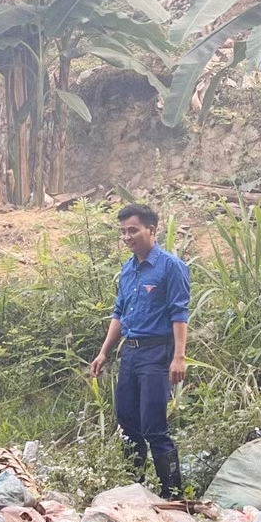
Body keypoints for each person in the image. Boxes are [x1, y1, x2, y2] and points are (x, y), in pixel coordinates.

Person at [88, 204, 189, 499]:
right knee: (128, 423)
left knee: (154, 426)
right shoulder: (128, 269)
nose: (127, 237)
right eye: (123, 232)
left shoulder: (170, 267)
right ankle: (137, 490)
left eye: (132, 230)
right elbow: (118, 314)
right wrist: (104, 352)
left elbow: (179, 313)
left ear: (151, 230)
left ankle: (174, 496)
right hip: (129, 355)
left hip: (157, 355)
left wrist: (178, 357)